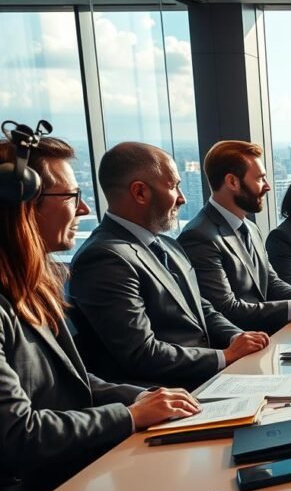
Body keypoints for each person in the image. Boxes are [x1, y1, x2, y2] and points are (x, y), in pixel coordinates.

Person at [0, 136, 199, 491]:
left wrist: (153, 398)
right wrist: (132, 415)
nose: (84, 209)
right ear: (22, 202)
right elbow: (19, 436)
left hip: (69, 476)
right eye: (72, 197)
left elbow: (74, 382)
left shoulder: (33, 287)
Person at [69, 142, 268, 391]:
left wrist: (237, 337)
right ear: (140, 192)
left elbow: (202, 308)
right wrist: (224, 356)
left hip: (212, 380)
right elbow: (141, 353)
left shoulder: (167, 245)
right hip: (171, 395)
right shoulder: (104, 258)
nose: (182, 198)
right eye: (174, 186)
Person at [178, 141, 291, 334]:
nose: (267, 186)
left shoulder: (251, 228)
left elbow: (271, 283)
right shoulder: (199, 236)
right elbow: (225, 309)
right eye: (260, 178)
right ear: (232, 182)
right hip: (240, 347)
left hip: (267, 337)